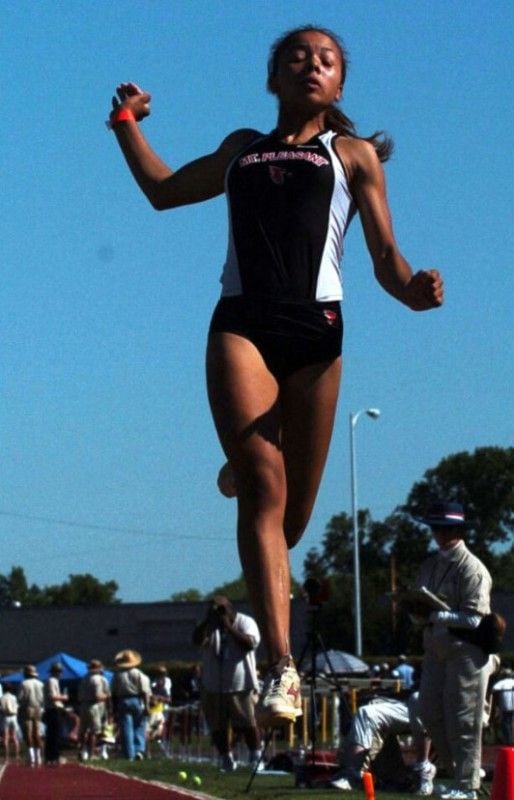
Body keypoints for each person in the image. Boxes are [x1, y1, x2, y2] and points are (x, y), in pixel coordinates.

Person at [108, 24, 444, 727]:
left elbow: (387, 257)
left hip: (317, 335)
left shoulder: (351, 156)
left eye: (325, 61)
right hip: (243, 325)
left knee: (289, 523)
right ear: (274, 78)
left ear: (339, 84)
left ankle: (242, 466)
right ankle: (281, 669)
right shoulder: (242, 150)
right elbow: (165, 190)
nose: (311, 67)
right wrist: (125, 123)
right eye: (297, 58)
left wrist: (412, 289)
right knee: (264, 484)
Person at [408, 502, 492, 800]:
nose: (437, 534)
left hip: (466, 651)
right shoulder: (430, 565)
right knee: (428, 712)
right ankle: (459, 772)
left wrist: (438, 616)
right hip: (435, 648)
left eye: (442, 529)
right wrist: (416, 610)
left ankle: (467, 786)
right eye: (434, 528)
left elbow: (474, 618)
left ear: (455, 530)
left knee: (464, 718)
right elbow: (419, 600)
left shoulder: (473, 568)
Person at [192, 595, 262, 771]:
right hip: (214, 684)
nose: (218, 612)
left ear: (231, 608)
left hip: (241, 683)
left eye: (221, 608)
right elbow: (196, 641)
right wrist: (208, 622)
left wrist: (229, 627)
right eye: (214, 609)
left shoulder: (245, 622)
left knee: (248, 722)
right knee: (217, 726)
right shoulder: (210, 626)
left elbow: (250, 644)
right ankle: (226, 758)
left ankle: (256, 755)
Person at [331, 692, 435, 795]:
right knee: (366, 710)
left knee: (417, 699)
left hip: (435, 707)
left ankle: (424, 769)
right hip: (407, 704)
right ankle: (353, 774)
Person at [111, 649, 151, 760]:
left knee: (126, 727)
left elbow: (113, 693)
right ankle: (139, 750)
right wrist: (146, 706)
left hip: (122, 700)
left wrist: (113, 708)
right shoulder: (139, 674)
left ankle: (129, 753)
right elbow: (144, 691)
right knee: (139, 725)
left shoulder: (117, 675)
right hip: (136, 699)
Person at [78, 659, 111, 761]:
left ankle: (83, 751)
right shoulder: (101, 679)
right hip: (95, 706)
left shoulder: (84, 678)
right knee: (94, 731)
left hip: (83, 705)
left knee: (83, 730)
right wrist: (107, 698)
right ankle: (91, 754)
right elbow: (99, 696)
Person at [17, 664, 44, 766]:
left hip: (27, 708)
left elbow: (20, 698)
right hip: (38, 708)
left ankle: (31, 755)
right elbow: (43, 699)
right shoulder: (41, 684)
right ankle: (38, 755)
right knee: (37, 731)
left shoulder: (24, 684)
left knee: (28, 731)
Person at [43, 661, 69, 765]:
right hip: (53, 709)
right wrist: (64, 697)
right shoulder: (52, 681)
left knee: (51, 734)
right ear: (58, 672)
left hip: (51, 710)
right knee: (55, 735)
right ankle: (55, 756)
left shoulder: (52, 681)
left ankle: (50, 757)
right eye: (60, 672)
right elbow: (52, 696)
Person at [491, 666, 514, 744]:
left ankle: (509, 740)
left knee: (506, 723)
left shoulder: (500, 683)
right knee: (509, 723)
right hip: (508, 705)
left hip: (506, 706)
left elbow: (493, 690)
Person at [0, 683, 21, 759]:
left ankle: (6, 755)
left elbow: (1, 708)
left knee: (6, 737)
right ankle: (17, 755)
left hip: (6, 717)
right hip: (14, 717)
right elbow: (17, 707)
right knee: (14, 737)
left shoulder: (2, 698)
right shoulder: (14, 697)